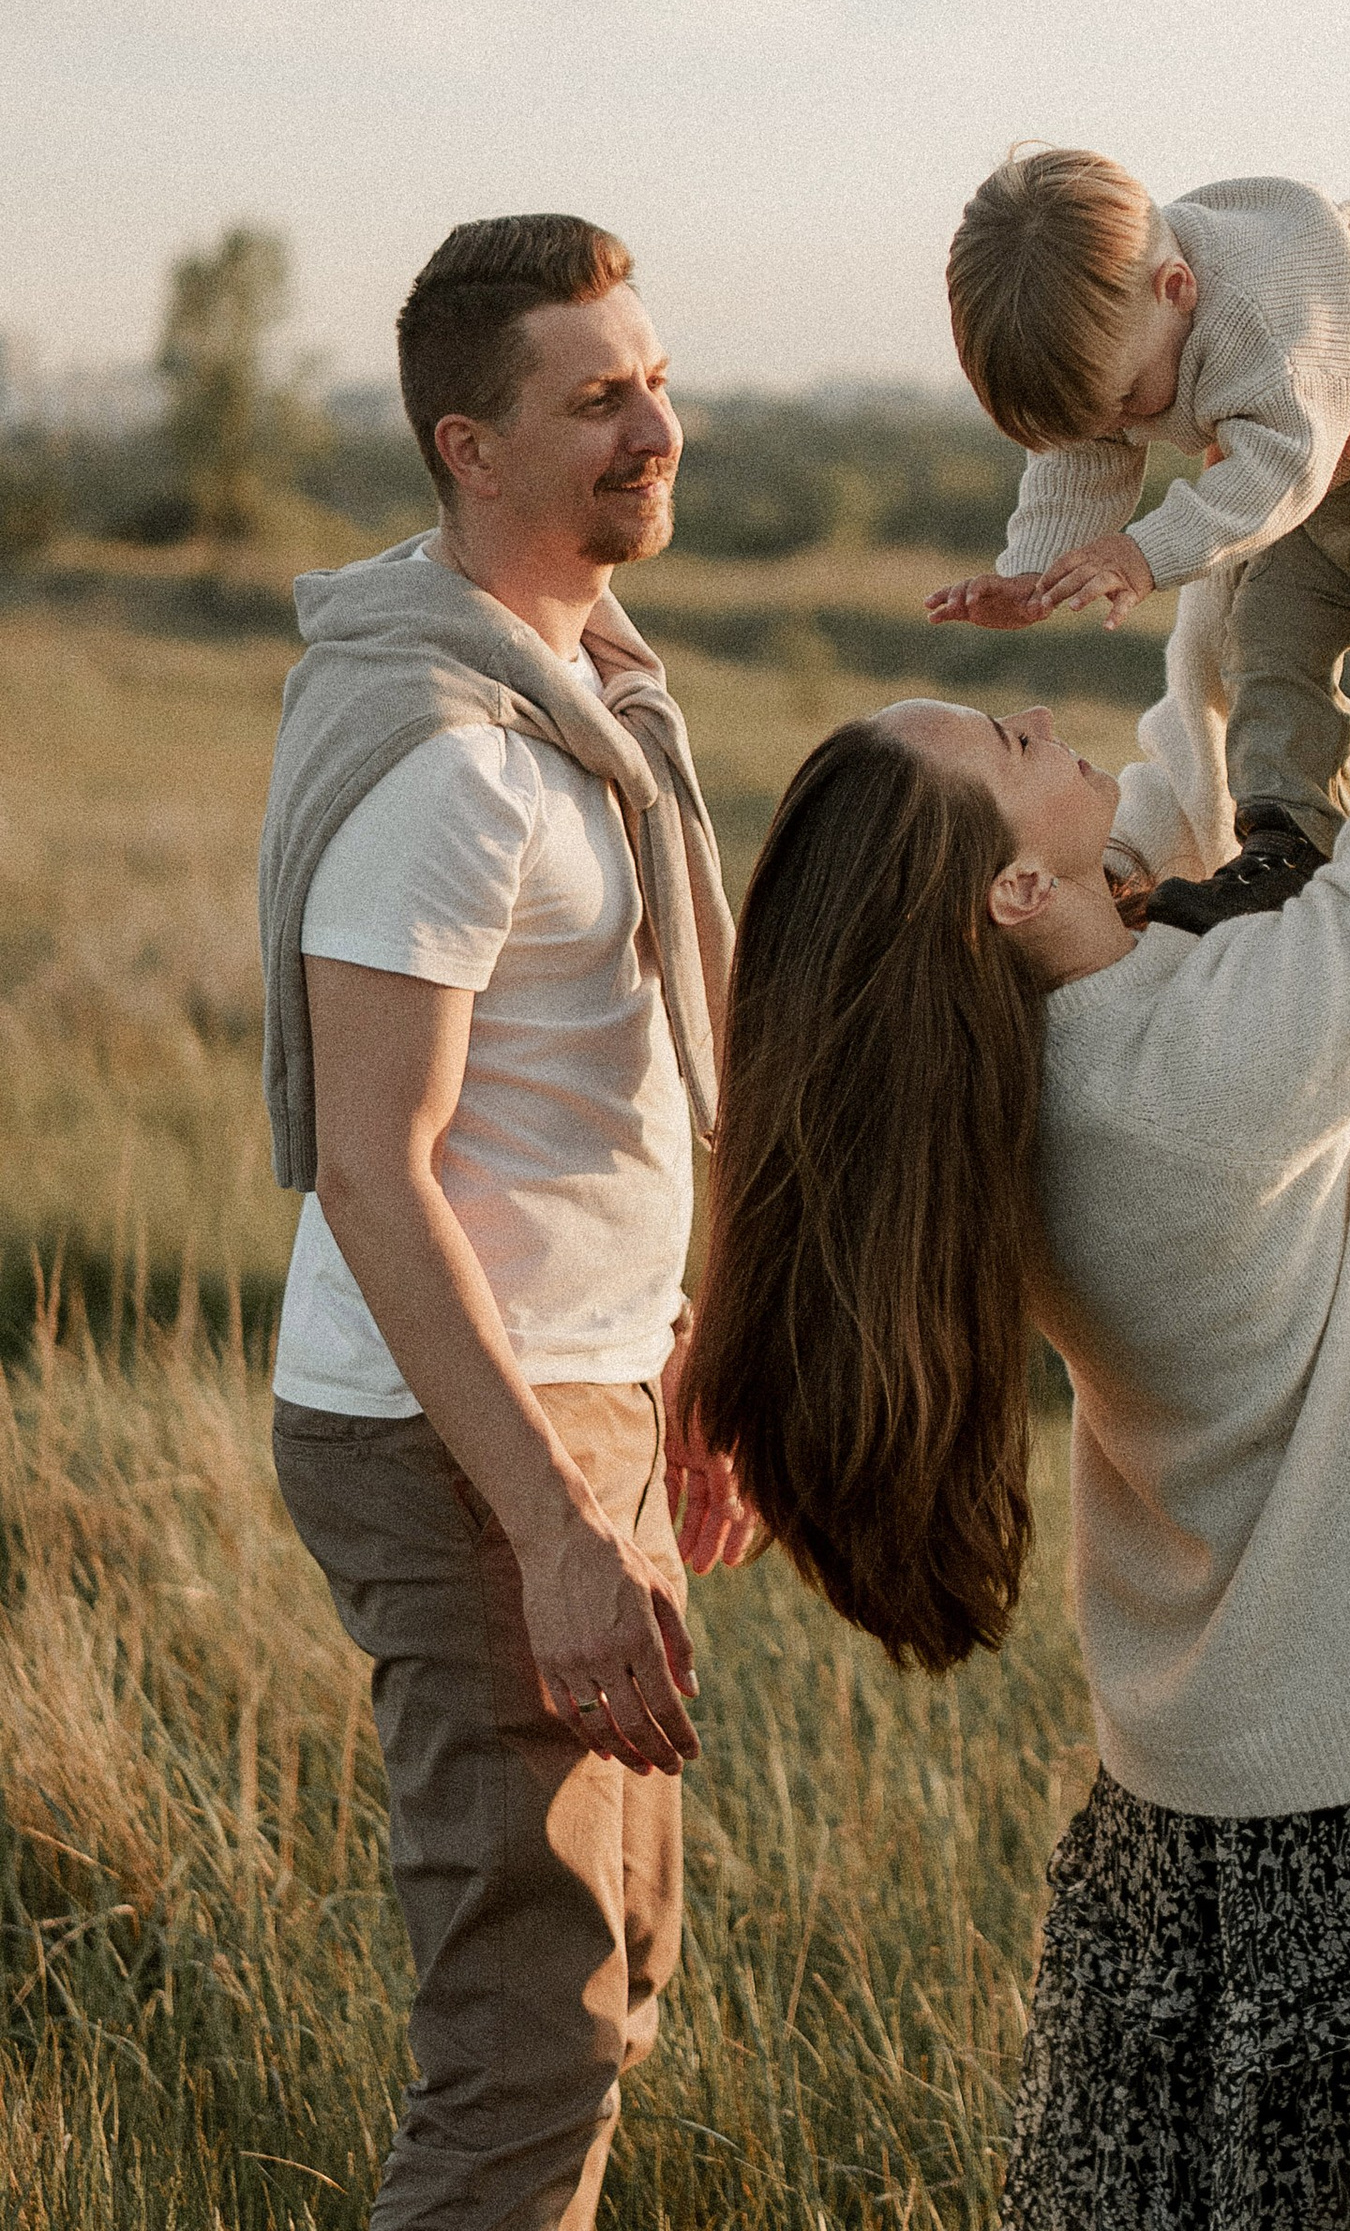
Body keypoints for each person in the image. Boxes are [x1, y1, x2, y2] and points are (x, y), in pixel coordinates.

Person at [685, 249, 1350, 2228]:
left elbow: (1186, 816)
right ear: (1022, 896)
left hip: (1206, 1815)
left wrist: (1213, 516)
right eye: (1011, 747)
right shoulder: (1199, 1068)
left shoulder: (1038, 1086)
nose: (1045, 726)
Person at [258, 215, 760, 2231]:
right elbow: (376, 1171)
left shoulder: (586, 693)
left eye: (651, 378)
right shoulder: (448, 762)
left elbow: (602, 1102)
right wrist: (556, 1523)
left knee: (610, 1990)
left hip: (582, 1395)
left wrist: (671, 1376)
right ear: (472, 448)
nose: (657, 424)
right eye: (599, 398)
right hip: (458, 1434)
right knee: (529, 2040)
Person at [933, 153, 1350, 968]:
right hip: (1312, 470)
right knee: (1265, 643)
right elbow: (1087, 450)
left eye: (1126, 399)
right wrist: (1034, 571)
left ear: (1177, 288)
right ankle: (1289, 847)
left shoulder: (1261, 320)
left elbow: (1280, 469)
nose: (1123, 423)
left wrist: (1142, 552)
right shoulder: (1131, 324)